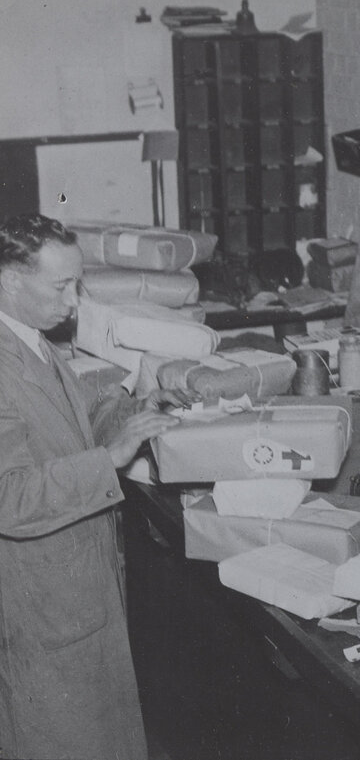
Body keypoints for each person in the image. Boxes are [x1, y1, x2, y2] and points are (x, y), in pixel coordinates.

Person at [0, 214, 197, 759]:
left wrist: (139, 408)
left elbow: (77, 412)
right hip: (40, 601)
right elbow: (8, 496)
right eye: (61, 286)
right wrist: (109, 459)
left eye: (77, 284)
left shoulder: (32, 340)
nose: (74, 302)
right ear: (9, 280)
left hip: (78, 586)